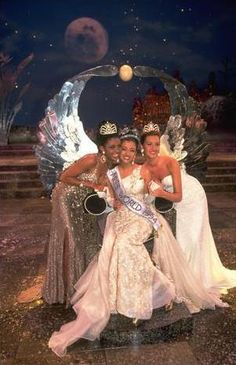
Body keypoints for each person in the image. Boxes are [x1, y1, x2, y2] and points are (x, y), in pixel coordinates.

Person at [48, 128, 228, 358]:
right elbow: (113, 199)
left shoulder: (143, 171)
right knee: (116, 243)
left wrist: (155, 191)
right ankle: (159, 288)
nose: (127, 153)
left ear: (136, 153)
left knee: (124, 243)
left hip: (143, 218)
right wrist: (112, 200)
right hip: (120, 218)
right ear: (119, 151)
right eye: (124, 149)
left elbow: (154, 196)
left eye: (132, 150)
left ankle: (143, 298)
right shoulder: (111, 174)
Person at [17, 120, 121, 306]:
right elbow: (63, 177)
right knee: (71, 240)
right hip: (66, 198)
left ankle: (81, 286)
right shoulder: (91, 159)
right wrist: (91, 184)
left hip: (84, 204)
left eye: (118, 146)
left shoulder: (113, 166)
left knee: (87, 240)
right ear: (102, 148)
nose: (116, 150)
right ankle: (65, 290)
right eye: (112, 146)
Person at [141, 122, 236, 294]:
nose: (153, 148)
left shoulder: (170, 162)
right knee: (180, 240)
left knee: (190, 240)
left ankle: (194, 280)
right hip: (175, 203)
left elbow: (178, 195)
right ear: (143, 146)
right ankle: (184, 278)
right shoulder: (144, 169)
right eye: (149, 144)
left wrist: (160, 192)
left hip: (192, 197)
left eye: (156, 144)